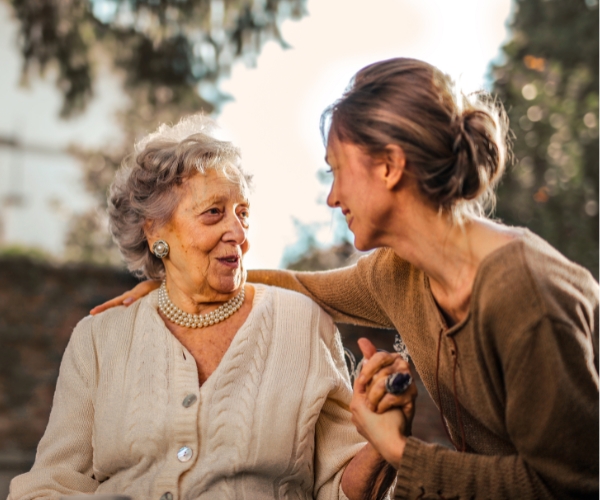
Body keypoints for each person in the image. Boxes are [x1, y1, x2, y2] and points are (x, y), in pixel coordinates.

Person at [94, 58, 599, 499]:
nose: (332, 197)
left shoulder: (523, 294)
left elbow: (571, 484)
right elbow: (302, 286)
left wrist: (397, 449)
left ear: (390, 167)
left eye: (337, 170)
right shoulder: (399, 273)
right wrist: (181, 281)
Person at [9, 115, 400, 500]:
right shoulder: (98, 339)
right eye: (214, 212)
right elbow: (48, 486)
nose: (239, 233)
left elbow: (340, 490)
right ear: (155, 230)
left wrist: (382, 444)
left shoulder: (303, 324)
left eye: (242, 213)